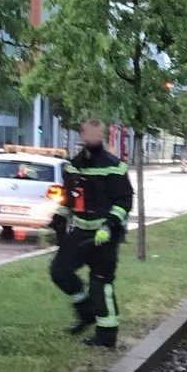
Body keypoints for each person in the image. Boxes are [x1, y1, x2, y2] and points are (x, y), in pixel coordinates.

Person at [48, 119, 133, 348]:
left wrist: (109, 225)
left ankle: (106, 335)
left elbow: (124, 201)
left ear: (102, 136)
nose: (92, 138)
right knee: (59, 271)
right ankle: (86, 313)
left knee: (100, 285)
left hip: (104, 236)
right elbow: (69, 196)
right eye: (89, 133)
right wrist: (58, 217)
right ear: (83, 135)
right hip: (80, 232)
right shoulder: (75, 164)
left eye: (97, 134)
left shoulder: (115, 166)